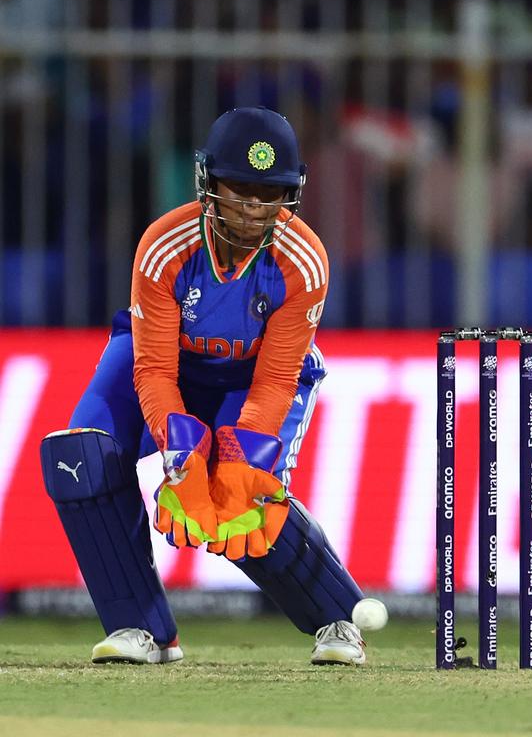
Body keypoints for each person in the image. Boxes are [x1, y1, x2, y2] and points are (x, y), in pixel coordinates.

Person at [40, 106, 374, 666]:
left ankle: (337, 619)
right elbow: (152, 369)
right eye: (238, 188)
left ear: (291, 194)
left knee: (237, 493)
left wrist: (237, 461)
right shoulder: (164, 245)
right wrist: (178, 452)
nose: (251, 208)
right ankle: (140, 630)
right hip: (164, 363)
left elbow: (274, 378)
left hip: (253, 381)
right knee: (83, 458)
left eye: (269, 194)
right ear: (207, 183)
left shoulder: (304, 260)